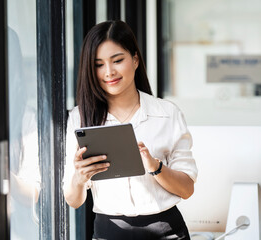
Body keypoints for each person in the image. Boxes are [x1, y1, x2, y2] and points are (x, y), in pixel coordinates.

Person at [62, 20, 198, 240]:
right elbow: (73, 201)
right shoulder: (80, 118)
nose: (109, 72)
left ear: (135, 59)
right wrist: (79, 177)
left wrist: (155, 167)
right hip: (108, 231)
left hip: (166, 232)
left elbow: (187, 190)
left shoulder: (167, 113)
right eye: (98, 64)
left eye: (117, 60)